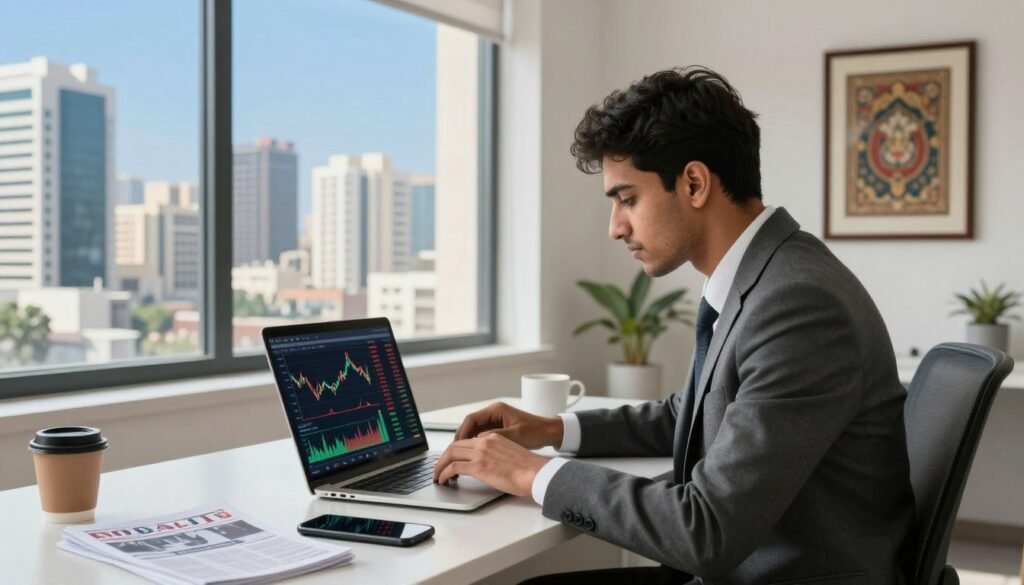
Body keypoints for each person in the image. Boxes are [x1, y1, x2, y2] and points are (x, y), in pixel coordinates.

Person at [432, 66, 914, 584]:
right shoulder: (770, 274)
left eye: (627, 198)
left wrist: (530, 473)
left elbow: (704, 531)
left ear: (694, 183)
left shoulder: (798, 304)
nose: (616, 227)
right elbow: (697, 411)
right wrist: (553, 430)